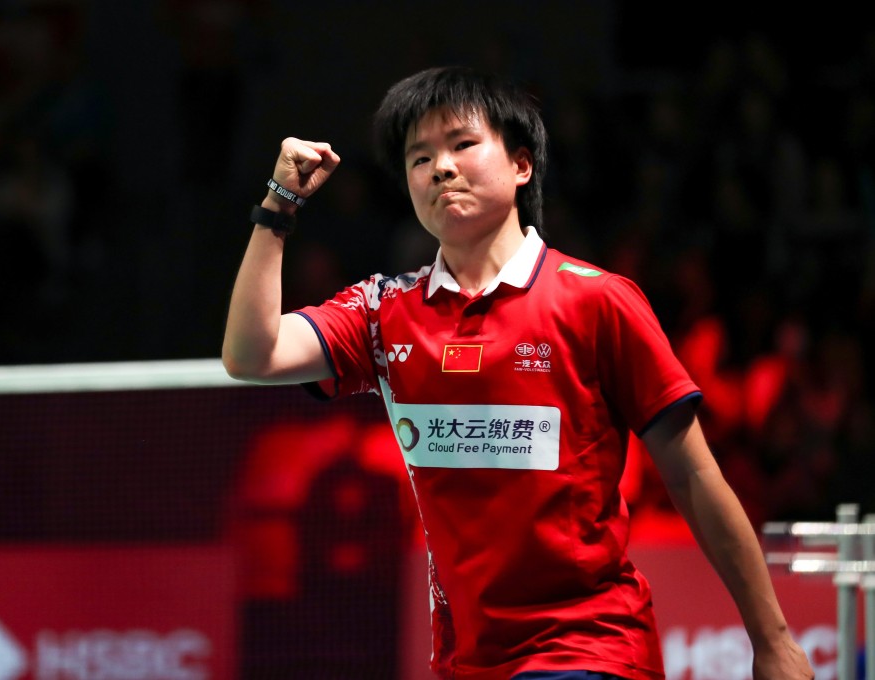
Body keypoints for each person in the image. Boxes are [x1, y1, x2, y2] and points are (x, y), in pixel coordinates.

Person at [222, 66, 814, 680]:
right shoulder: (384, 312)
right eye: (420, 158)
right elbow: (252, 355)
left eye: (462, 144)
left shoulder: (595, 300)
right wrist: (279, 205)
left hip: (588, 645)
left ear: (521, 165)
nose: (441, 168)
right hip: (467, 660)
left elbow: (693, 476)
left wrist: (772, 641)